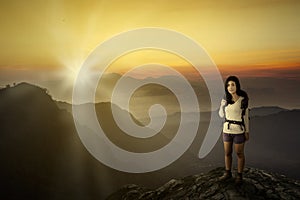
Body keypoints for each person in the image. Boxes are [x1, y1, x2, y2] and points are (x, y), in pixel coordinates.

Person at [218, 76, 249, 184]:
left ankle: (239, 175)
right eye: (228, 85)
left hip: (239, 131)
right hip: (227, 130)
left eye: (232, 84)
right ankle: (228, 173)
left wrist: (247, 131)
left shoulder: (242, 100)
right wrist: (221, 106)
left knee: (239, 153)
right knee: (227, 152)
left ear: (237, 86)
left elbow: (246, 117)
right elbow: (221, 115)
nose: (230, 87)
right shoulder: (226, 100)